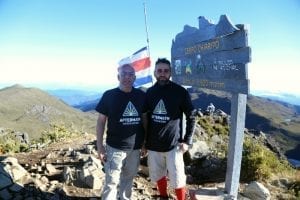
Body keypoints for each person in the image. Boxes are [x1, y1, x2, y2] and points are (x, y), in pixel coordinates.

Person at [145, 58, 196, 200]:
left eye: (166, 71)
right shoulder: (149, 93)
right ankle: (163, 196)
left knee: (178, 177)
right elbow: (145, 119)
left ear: (170, 73)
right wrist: (144, 143)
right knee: (157, 174)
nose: (162, 74)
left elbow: (191, 116)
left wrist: (187, 141)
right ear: (155, 73)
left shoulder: (180, 92)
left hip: (174, 145)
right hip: (153, 144)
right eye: (159, 71)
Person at [95, 63, 147, 200]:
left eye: (130, 74)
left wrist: (145, 142)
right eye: (124, 74)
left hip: (135, 148)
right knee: (111, 182)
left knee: (128, 180)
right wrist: (100, 147)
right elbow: (101, 121)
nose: (127, 77)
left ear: (135, 77)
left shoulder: (141, 95)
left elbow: (144, 119)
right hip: (114, 148)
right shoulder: (109, 95)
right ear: (118, 76)